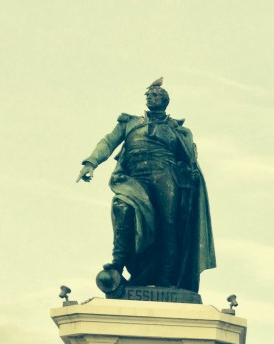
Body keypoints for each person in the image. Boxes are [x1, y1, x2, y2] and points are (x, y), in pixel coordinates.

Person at [77, 78, 215, 293]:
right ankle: (118, 262)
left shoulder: (178, 129)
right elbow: (107, 142)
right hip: (133, 176)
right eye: (148, 94)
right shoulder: (129, 123)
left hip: (166, 176)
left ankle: (166, 277)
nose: (150, 97)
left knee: (168, 224)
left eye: (156, 94)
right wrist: (91, 162)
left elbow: (187, 160)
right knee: (121, 207)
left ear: (165, 100)